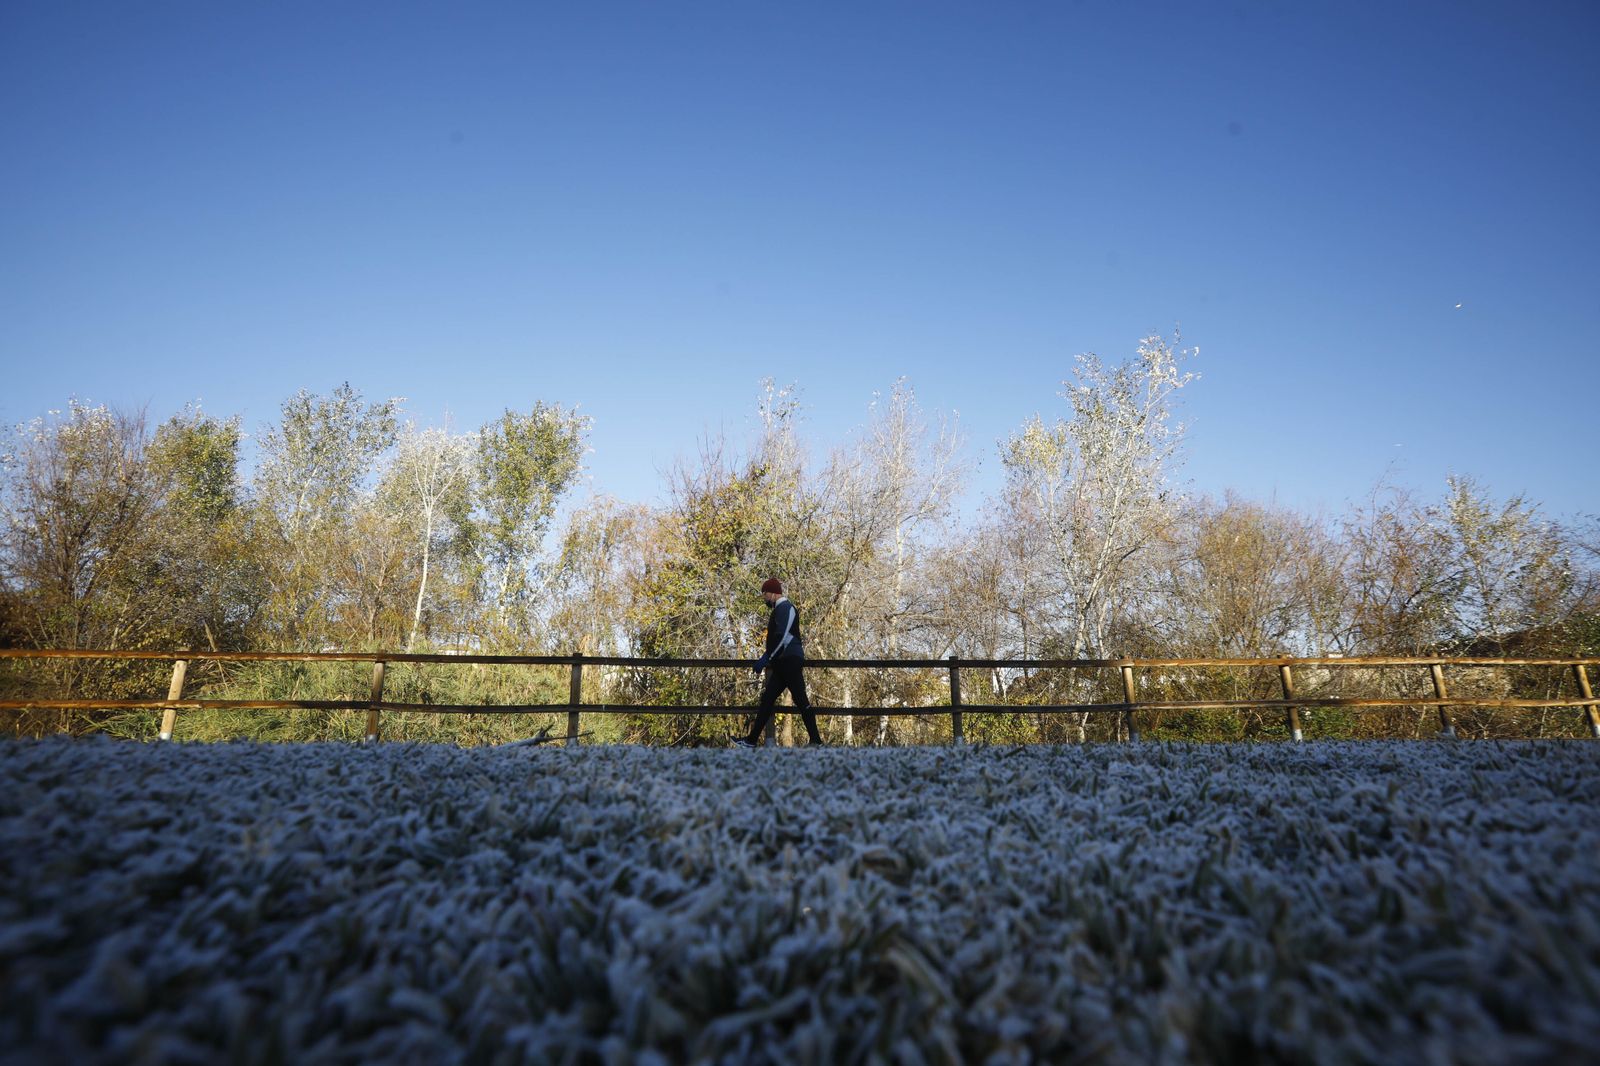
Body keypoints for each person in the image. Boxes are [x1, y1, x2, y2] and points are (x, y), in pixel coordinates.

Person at [733, 578, 823, 747]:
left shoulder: (787, 608)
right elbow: (777, 639)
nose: (765, 598)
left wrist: (767, 657)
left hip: (790, 660)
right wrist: (768, 656)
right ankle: (751, 740)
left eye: (766, 594)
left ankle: (816, 740)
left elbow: (782, 638)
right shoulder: (778, 610)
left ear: (774, 593)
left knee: (801, 700)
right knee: (767, 700)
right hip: (782, 663)